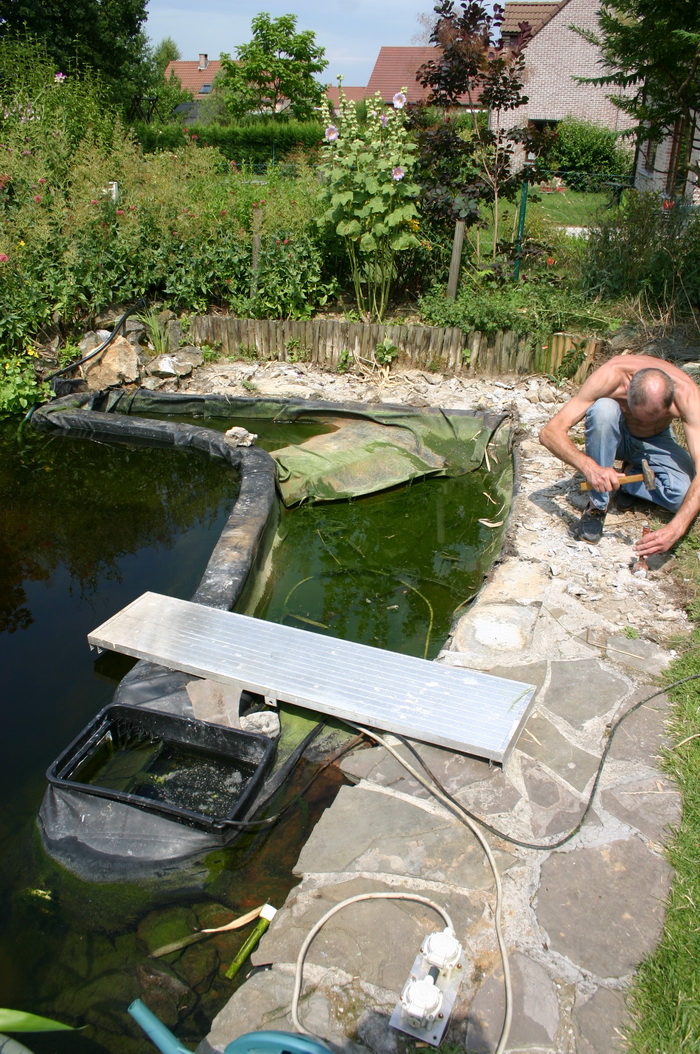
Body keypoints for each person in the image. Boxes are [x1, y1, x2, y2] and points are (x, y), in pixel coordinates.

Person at [539, 354, 700, 553]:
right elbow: (549, 433)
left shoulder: (687, 394)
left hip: (656, 441)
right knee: (603, 410)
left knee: (681, 496)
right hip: (615, 438)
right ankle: (598, 505)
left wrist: (676, 528)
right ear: (627, 389)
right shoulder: (611, 376)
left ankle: (629, 478)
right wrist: (591, 468)